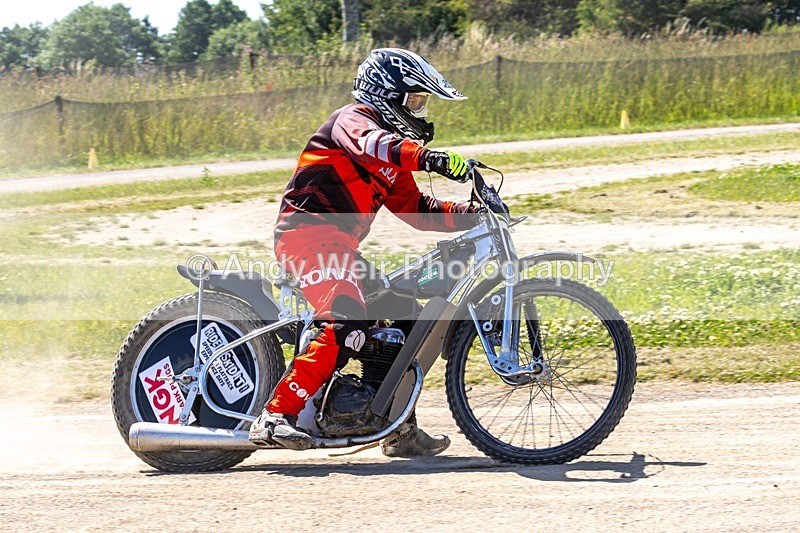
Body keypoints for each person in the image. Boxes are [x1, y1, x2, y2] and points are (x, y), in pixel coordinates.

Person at [249, 48, 476, 456]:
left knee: (403, 314)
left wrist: (473, 214)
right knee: (347, 321)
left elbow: (418, 211)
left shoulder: (392, 158)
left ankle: (395, 427)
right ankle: (276, 416)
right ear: (387, 96)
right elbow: (376, 143)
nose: (420, 111)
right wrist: (430, 158)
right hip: (307, 236)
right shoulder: (353, 122)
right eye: (415, 100)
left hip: (341, 247)